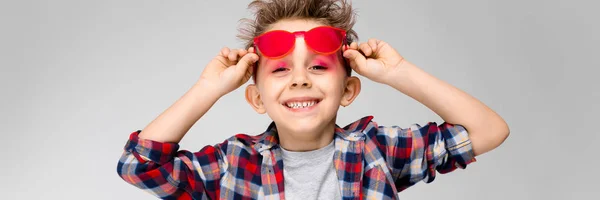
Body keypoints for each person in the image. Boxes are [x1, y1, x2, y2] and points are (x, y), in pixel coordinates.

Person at [116, 0, 510, 199]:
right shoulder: (232, 164)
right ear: (256, 99)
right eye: (281, 69)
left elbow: (489, 131)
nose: (300, 80)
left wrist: (398, 72)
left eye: (319, 68)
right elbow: (138, 164)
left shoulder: (379, 150)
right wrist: (209, 89)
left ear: (349, 90)